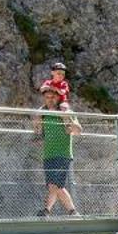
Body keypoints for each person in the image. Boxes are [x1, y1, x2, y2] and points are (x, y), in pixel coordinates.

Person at [38, 83, 82, 216]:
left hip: (63, 154)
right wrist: (37, 120)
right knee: (53, 185)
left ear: (58, 98)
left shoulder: (65, 112)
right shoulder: (43, 113)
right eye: (47, 97)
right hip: (48, 154)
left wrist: (67, 120)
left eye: (53, 97)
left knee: (56, 186)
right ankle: (66, 212)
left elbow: (78, 130)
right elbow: (38, 130)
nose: (50, 99)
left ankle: (50, 211)